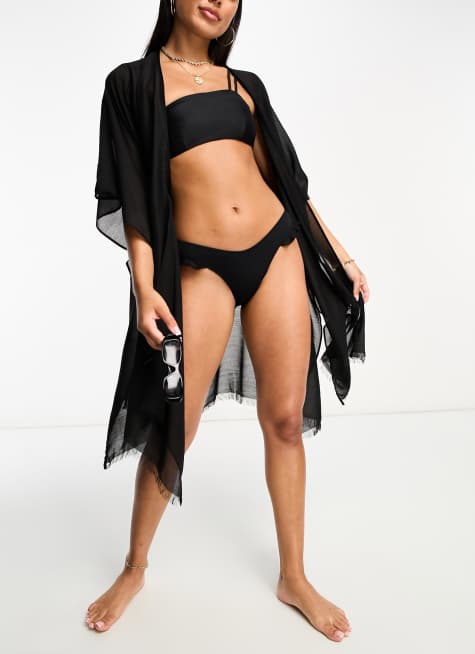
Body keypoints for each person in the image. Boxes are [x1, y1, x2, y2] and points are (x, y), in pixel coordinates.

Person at [86, 0, 369, 643]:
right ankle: (134, 568)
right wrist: (143, 287)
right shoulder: (132, 83)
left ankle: (294, 576)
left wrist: (342, 255)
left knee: (285, 420)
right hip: (199, 264)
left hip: (276, 249)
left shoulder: (245, 86)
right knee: (176, 425)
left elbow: (288, 183)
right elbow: (134, 196)